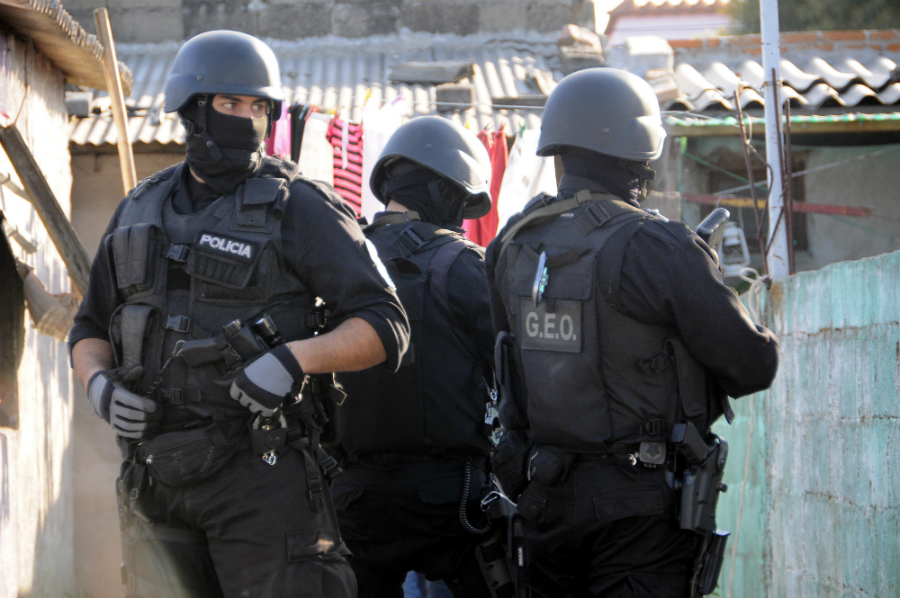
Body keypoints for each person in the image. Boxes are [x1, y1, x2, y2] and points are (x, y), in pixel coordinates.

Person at [68, 30, 409, 598]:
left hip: (260, 477)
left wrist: (293, 360)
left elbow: (386, 325)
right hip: (155, 480)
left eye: (259, 107)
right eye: (231, 104)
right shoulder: (137, 208)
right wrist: (98, 386)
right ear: (193, 111)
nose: (247, 119)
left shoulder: (298, 204)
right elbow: (89, 328)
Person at [485, 68, 780, 598]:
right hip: (637, 510)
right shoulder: (657, 245)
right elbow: (752, 365)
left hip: (544, 497)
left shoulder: (512, 243)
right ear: (640, 151)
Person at [327, 117, 503, 598]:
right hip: (451, 497)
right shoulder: (463, 263)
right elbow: (517, 371)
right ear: (446, 194)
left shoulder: (340, 258)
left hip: (353, 495)